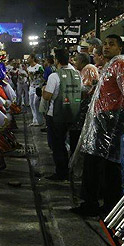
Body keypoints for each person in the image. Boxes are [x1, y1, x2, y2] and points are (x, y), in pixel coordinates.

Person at [71, 34, 124, 217]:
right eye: (105, 44)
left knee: (107, 164)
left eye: (111, 44)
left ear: (120, 48)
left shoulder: (121, 64)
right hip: (103, 119)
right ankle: (96, 203)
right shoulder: (110, 65)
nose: (106, 47)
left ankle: (107, 206)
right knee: (96, 162)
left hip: (112, 121)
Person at [42, 48, 82, 181]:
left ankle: (61, 173)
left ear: (56, 60)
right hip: (73, 114)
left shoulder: (54, 76)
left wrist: (43, 90)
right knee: (72, 144)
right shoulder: (77, 74)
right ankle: (71, 171)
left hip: (56, 115)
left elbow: (47, 96)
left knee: (58, 145)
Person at [27, 56, 45, 126]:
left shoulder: (39, 67)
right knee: (31, 103)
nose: (28, 59)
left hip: (38, 87)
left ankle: (40, 121)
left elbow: (42, 75)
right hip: (31, 87)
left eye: (29, 58)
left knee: (36, 103)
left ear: (32, 58)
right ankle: (34, 120)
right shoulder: (28, 68)